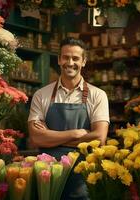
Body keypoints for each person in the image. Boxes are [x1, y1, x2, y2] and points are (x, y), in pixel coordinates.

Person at [28, 37, 110, 200]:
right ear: (59, 60)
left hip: (82, 176)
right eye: (66, 57)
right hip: (48, 175)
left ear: (84, 61)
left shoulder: (98, 95)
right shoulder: (41, 95)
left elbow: (99, 138)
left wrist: (50, 137)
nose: (70, 62)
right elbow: (36, 138)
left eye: (75, 58)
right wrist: (76, 133)